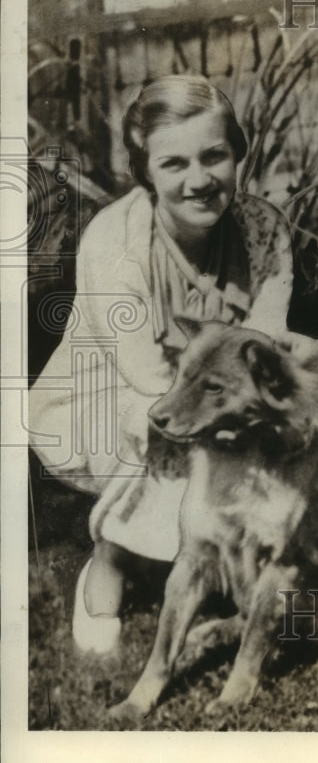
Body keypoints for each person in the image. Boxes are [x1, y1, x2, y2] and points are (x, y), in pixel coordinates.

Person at [29, 76, 293, 655]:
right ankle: (110, 562)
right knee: (154, 431)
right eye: (173, 163)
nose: (198, 180)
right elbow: (146, 378)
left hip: (217, 392)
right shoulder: (115, 241)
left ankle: (229, 560)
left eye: (214, 156)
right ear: (145, 170)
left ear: (238, 153)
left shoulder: (264, 229)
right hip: (103, 396)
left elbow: (266, 349)